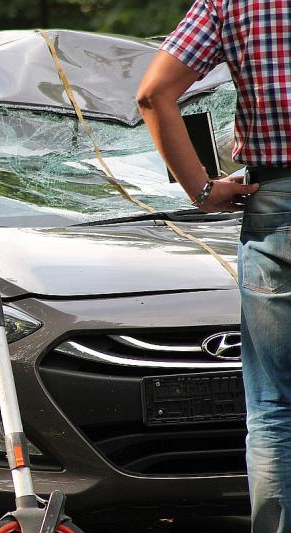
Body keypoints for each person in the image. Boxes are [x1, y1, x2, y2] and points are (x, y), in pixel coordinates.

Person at [136, 1, 291, 530]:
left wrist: (203, 190)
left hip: (277, 209)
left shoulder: (234, 4)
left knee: (275, 409)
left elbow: (153, 93)